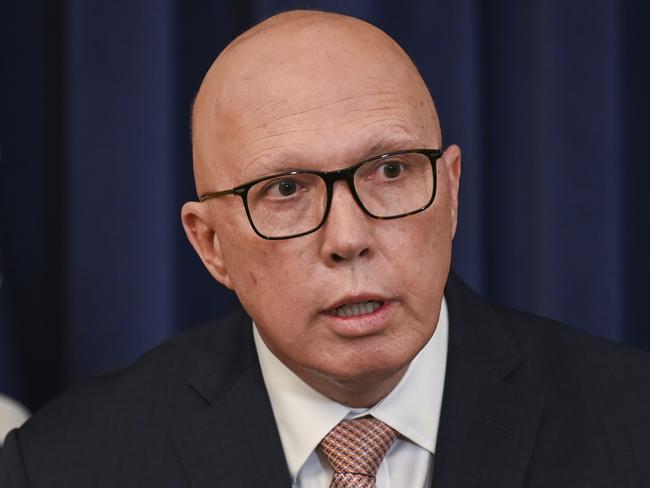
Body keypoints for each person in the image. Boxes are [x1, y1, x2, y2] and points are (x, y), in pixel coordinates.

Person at [1, 10, 649, 487]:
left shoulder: (632, 427)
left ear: (450, 191)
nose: (348, 239)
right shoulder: (63, 466)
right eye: (285, 189)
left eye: (391, 171)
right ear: (210, 245)